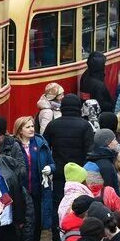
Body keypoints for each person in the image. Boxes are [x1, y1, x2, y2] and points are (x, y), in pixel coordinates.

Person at [42, 93, 95, 223]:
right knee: (79, 204)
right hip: (79, 174)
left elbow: (44, 147)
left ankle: (57, 235)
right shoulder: (85, 125)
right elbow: (90, 151)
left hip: (59, 172)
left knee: (59, 203)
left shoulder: (53, 125)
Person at [13, 115, 53, 241]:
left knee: (36, 226)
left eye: (32, 126)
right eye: (28, 127)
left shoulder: (40, 143)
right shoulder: (13, 146)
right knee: (20, 225)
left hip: (37, 192)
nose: (31, 129)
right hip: (19, 194)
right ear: (19, 130)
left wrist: (50, 168)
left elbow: (52, 163)